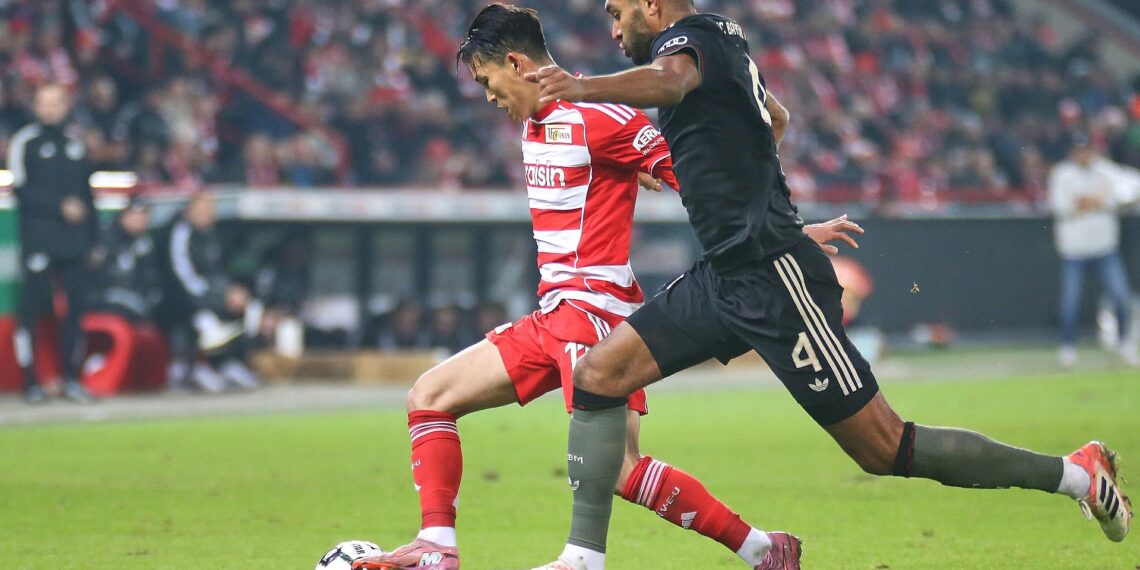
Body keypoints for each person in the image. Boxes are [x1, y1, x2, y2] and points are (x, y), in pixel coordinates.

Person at [526, 1, 1133, 568]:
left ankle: (1075, 473)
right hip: (725, 274)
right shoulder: (721, 43)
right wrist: (758, 203)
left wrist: (581, 87)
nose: (612, 29)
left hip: (774, 281)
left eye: (615, 11)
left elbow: (674, 81)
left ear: (651, 4)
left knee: (882, 447)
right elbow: (777, 118)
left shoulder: (691, 42)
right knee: (599, 375)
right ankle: (583, 557)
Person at [352, 5, 863, 570]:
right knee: (429, 397)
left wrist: (787, 233)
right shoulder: (534, 122)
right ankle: (436, 549)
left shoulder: (604, 119)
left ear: (517, 64)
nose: (489, 97)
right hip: (552, 316)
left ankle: (759, 549)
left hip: (595, 316)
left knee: (619, 468)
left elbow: (702, 177)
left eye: (488, 81)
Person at [8, 83, 96, 404]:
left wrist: (92, 238)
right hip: (40, 239)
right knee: (32, 310)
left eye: (55, 102)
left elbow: (87, 195)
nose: (50, 109)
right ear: (35, 106)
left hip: (73, 242)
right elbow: (20, 188)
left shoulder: (76, 143)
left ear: (66, 104)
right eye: (43, 102)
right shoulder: (25, 142)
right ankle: (31, 381)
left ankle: (72, 378)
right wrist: (59, 206)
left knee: (75, 311)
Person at [1047, 133, 1140, 367]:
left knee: (1121, 297)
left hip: (1104, 249)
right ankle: (1068, 348)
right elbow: (1061, 207)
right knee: (1070, 303)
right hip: (1074, 251)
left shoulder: (1106, 171)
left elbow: (1132, 189)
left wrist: (1102, 202)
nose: (1083, 154)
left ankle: (1125, 343)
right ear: (1072, 152)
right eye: (1079, 150)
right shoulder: (1062, 174)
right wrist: (1097, 201)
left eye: (1086, 149)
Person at [156, 192, 262, 392]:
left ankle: (230, 363)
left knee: (250, 307)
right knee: (200, 313)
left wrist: (231, 291)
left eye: (210, 210)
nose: (208, 215)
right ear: (189, 211)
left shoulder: (211, 236)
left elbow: (219, 271)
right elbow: (183, 276)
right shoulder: (180, 232)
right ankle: (190, 368)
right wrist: (217, 296)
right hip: (174, 296)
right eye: (203, 210)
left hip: (208, 293)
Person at [95, 199, 163, 322]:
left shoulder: (148, 243)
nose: (139, 221)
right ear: (123, 217)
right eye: (134, 216)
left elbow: (152, 276)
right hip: (106, 298)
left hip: (138, 299)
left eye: (143, 218)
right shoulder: (105, 239)